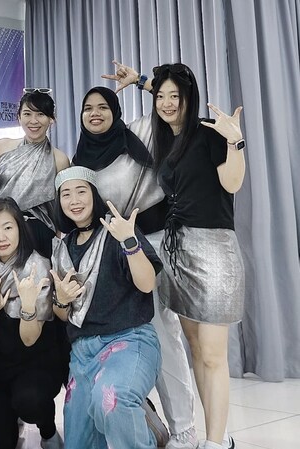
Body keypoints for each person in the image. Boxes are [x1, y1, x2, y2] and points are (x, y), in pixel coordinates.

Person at [106, 61, 245, 449]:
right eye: (161, 97)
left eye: (176, 97)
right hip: (176, 250)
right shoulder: (168, 138)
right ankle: (216, 434)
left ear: (189, 99)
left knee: (213, 354)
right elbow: (165, 95)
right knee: (195, 348)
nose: (167, 103)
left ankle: (216, 443)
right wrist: (141, 82)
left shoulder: (210, 133)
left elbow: (232, 182)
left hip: (214, 250)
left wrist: (236, 142)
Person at [72, 85, 197, 449]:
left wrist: (146, 83)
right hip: (110, 253)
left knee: (161, 331)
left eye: (103, 106)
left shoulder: (140, 133)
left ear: (116, 110)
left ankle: (184, 428)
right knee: (123, 344)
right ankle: (140, 417)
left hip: (153, 242)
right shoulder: (80, 159)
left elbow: (173, 107)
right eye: (88, 108)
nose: (95, 113)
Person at [50, 166, 163, 449]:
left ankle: (147, 436)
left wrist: (129, 241)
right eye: (66, 194)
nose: (74, 200)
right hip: (82, 351)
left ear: (94, 194)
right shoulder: (62, 248)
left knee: (111, 400)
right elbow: (63, 314)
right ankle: (141, 421)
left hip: (129, 340)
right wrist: (61, 299)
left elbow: (147, 284)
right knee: (78, 443)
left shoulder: (117, 230)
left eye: (81, 191)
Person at [0, 198, 65, 449]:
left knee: (30, 401)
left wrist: (28, 304)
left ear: (20, 228)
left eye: (8, 227)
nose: (1, 237)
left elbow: (29, 339)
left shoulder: (38, 268)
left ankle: (48, 430)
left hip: (34, 364)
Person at [0, 90, 70, 259]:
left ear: (51, 119)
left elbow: (60, 206)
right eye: (27, 114)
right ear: (19, 117)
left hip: (38, 232)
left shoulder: (60, 159)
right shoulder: (4, 145)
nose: (33, 121)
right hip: (0, 228)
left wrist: (56, 244)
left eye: (40, 114)